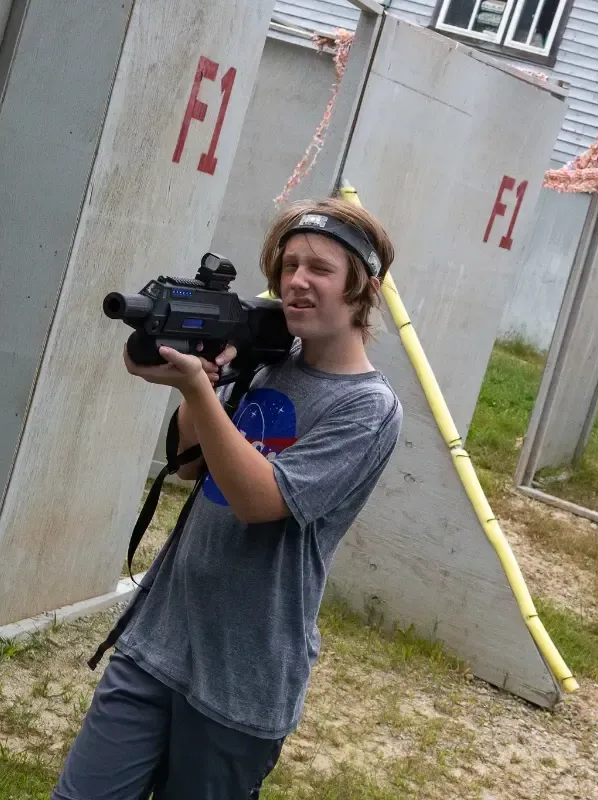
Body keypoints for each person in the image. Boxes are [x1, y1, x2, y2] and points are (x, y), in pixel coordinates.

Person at [52, 197, 403, 800]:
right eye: (289, 265)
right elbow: (191, 468)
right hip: (160, 637)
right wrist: (204, 380)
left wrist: (197, 386)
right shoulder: (268, 361)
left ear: (361, 289)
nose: (297, 280)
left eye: (319, 268)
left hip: (241, 678)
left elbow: (259, 500)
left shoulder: (368, 409)